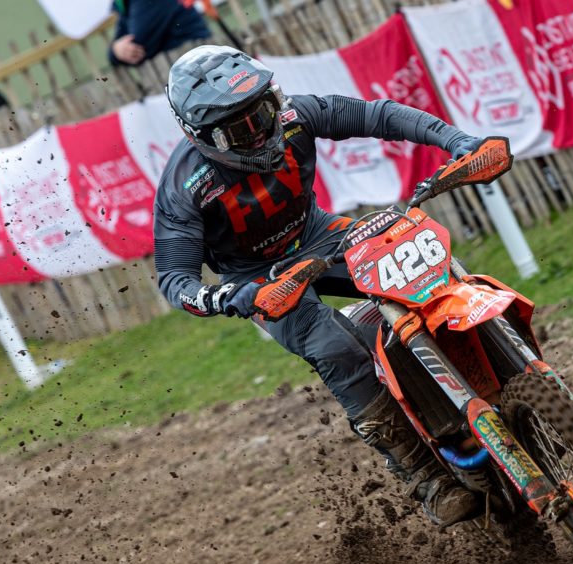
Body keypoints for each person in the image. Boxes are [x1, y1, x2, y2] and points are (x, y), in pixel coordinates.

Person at [154, 46, 486, 526]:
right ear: (200, 136)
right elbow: (174, 279)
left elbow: (378, 115)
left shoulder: (295, 115)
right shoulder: (184, 187)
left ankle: (494, 374)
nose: (261, 131)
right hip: (257, 278)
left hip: (316, 234)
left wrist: (459, 141)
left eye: (263, 111)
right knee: (336, 347)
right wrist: (235, 297)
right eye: (240, 129)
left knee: (428, 264)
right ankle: (425, 478)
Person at [109, 0, 212, 67]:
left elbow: (139, 45)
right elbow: (117, 43)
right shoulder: (125, 4)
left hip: (195, 61)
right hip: (179, 67)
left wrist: (118, 51)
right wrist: (116, 49)